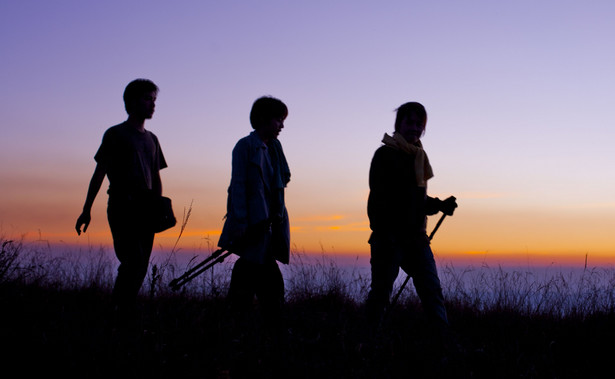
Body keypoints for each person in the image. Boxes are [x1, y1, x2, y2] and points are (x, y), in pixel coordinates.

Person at [75, 79, 168, 321]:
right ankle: (116, 313)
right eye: (148, 99)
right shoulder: (115, 134)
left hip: (146, 210)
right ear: (131, 102)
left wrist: (158, 206)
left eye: (154, 100)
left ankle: (123, 312)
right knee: (132, 260)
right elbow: (99, 173)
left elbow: (156, 176)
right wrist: (87, 210)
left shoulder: (152, 139)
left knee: (141, 265)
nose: (152, 104)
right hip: (122, 206)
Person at [366, 101, 457, 333]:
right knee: (381, 293)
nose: (415, 128)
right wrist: (390, 229)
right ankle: (366, 342)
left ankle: (443, 344)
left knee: (431, 291)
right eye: (410, 122)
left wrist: (439, 205)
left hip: (416, 238)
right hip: (389, 238)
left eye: (420, 124)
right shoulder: (385, 154)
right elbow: (382, 198)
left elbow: (416, 201)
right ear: (399, 124)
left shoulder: (418, 157)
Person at [218, 96, 291, 329]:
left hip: (271, 223)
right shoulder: (245, 146)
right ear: (263, 119)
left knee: (254, 268)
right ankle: (268, 325)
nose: (282, 125)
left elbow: (284, 178)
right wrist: (240, 221)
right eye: (278, 120)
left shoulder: (274, 148)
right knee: (258, 269)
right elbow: (237, 186)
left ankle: (241, 323)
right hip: (253, 223)